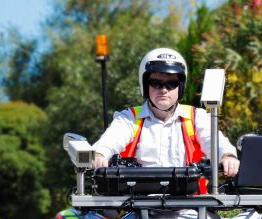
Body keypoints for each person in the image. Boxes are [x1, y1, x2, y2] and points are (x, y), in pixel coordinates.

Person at [92, 48, 240, 190]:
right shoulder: (128, 118)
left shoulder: (197, 117)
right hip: (136, 206)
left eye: (172, 83)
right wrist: (100, 154)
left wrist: (227, 156)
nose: (164, 89)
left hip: (192, 207)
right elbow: (110, 140)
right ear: (145, 84)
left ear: (180, 87)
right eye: (156, 83)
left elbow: (215, 141)